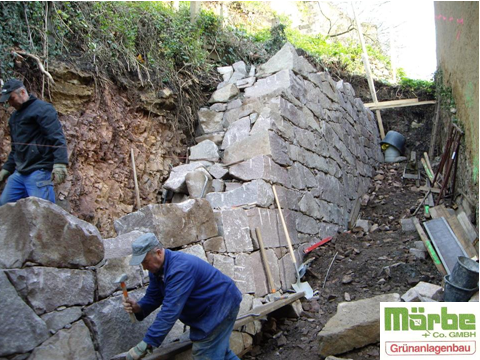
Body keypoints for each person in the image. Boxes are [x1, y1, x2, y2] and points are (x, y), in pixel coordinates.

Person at [123, 233, 242, 360]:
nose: (144, 267)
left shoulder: (180, 269)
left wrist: (148, 342)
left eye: (145, 262)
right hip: (211, 307)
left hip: (221, 305)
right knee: (220, 353)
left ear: (158, 253)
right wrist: (139, 307)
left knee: (204, 353)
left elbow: (170, 310)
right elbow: (153, 297)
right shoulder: (157, 271)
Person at [0, 79, 68, 205]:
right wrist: (6, 169)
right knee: (3, 207)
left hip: (39, 171)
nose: (9, 102)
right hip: (20, 173)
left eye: (11, 98)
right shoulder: (14, 117)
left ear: (22, 92)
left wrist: (60, 163)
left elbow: (56, 137)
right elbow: (16, 148)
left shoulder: (42, 109)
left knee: (44, 212)